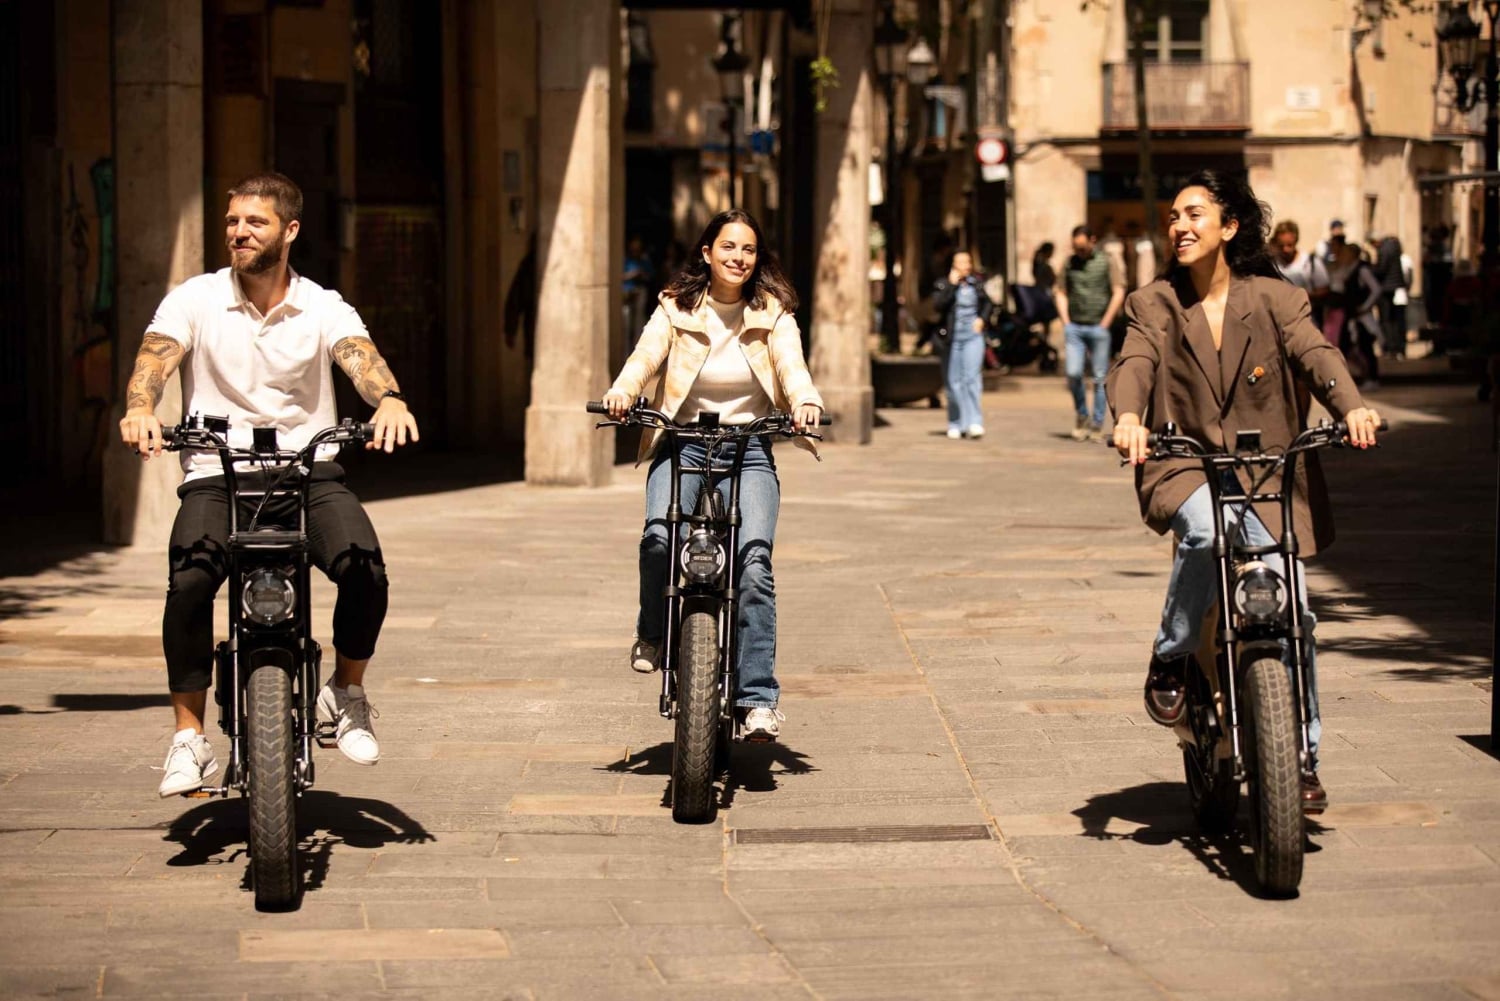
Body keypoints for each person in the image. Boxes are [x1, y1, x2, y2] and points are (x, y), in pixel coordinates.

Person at [119, 172, 420, 797]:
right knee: (189, 582)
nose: (239, 232)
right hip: (218, 474)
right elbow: (155, 358)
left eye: (255, 222)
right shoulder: (195, 298)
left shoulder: (323, 305)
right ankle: (188, 737)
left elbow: (359, 357)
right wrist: (141, 408)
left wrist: (389, 399)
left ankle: (347, 690)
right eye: (232, 221)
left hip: (308, 473)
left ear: (290, 231)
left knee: (366, 570)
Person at [1108, 170, 1382, 808]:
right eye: (1174, 216)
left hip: (1266, 471)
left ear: (1229, 227)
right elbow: (1134, 363)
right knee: (1204, 532)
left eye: (1195, 214)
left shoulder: (1276, 299)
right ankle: (1172, 655)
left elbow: (1316, 354)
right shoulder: (1154, 303)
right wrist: (1128, 417)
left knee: (1294, 611)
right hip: (1186, 464)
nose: (1180, 226)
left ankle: (1301, 757)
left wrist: (1352, 408)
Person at [601, 209, 823, 743]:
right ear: (707, 252)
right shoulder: (674, 308)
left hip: (748, 450)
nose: (737, 258)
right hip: (681, 446)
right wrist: (624, 391)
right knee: (658, 540)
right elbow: (644, 359)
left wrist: (806, 401)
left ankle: (758, 700)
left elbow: (792, 367)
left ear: (757, 258)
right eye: (728, 247)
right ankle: (652, 632)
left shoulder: (774, 313)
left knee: (754, 566)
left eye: (748, 249)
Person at [1056, 224, 1125, 440]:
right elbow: (1060, 291)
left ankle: (1097, 423)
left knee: (1099, 377)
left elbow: (1118, 290)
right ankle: (1082, 414)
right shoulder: (1069, 263)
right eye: (1076, 248)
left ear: (1092, 241)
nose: (1079, 252)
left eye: (1083, 248)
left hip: (1098, 327)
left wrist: (1106, 321)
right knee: (1073, 373)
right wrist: (1066, 321)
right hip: (1075, 327)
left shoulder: (1107, 261)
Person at [930, 250, 993, 439]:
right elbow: (938, 306)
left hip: (972, 336)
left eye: (967, 262)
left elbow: (988, 304)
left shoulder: (976, 284)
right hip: (951, 338)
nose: (965, 266)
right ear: (953, 265)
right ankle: (956, 422)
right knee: (953, 382)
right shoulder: (943, 284)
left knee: (971, 379)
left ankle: (974, 422)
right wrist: (951, 285)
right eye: (960, 262)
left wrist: (981, 319)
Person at [1271, 219, 1329, 325]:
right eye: (1281, 246)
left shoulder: (1310, 262)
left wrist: (1301, 295)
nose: (1285, 250)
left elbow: (1324, 290)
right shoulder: (1272, 264)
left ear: (1296, 241)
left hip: (1306, 320)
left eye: (1289, 245)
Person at [1371, 232, 1408, 359]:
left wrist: (1372, 269)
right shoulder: (1394, 248)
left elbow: (1382, 269)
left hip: (1387, 288)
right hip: (1396, 286)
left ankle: (1390, 347)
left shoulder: (1384, 250)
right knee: (1396, 320)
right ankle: (1398, 347)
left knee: (1386, 320)